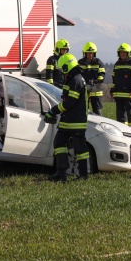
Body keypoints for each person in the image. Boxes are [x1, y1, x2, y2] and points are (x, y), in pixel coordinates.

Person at [43, 53, 89, 182]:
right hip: (68, 119)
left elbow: (69, 103)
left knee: (80, 148)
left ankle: (83, 175)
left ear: (66, 66)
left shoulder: (76, 80)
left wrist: (53, 111)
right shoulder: (72, 78)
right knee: (59, 143)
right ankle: (61, 173)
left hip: (76, 121)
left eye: (61, 68)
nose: (61, 71)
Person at [110, 43, 131, 127]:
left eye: (124, 52)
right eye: (121, 52)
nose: (122, 54)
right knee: (120, 114)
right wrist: (112, 89)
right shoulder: (117, 64)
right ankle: (122, 130)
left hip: (130, 95)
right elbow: (114, 78)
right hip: (118, 95)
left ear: (128, 53)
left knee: (130, 113)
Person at [78, 42, 106, 116]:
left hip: (96, 91)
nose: (90, 55)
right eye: (88, 53)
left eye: (92, 53)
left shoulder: (98, 62)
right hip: (84, 90)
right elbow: (77, 75)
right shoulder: (80, 62)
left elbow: (102, 73)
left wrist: (98, 80)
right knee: (83, 111)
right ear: (85, 53)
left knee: (98, 112)